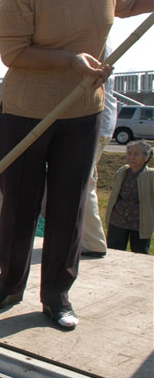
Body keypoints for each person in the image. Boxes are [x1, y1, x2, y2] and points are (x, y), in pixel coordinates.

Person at [0, 0, 153, 330]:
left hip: (82, 109)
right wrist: (70, 61)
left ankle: (57, 295)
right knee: (20, 203)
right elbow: (12, 51)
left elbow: (126, 3)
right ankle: (8, 284)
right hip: (26, 110)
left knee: (69, 205)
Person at [81, 65, 117, 258]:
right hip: (97, 122)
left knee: (81, 183)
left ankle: (93, 241)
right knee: (86, 182)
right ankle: (89, 239)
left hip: (93, 122)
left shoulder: (93, 39)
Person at [105, 140, 153, 254]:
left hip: (140, 224)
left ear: (146, 157)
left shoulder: (151, 175)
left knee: (140, 256)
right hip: (118, 221)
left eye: (136, 154)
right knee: (113, 254)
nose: (131, 157)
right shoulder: (122, 171)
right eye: (129, 153)